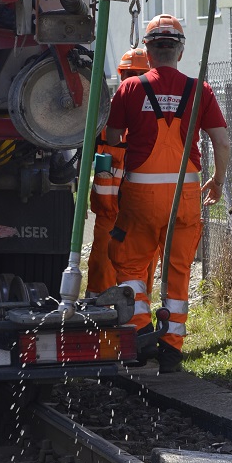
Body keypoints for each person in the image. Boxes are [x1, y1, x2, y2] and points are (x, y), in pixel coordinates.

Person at [104, 13, 231, 373]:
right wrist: (218, 182)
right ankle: (172, 348)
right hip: (186, 197)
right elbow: (221, 141)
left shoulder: (130, 89)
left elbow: (112, 138)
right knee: (178, 269)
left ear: (148, 50)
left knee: (130, 262)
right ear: (180, 50)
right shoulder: (200, 90)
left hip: (141, 198)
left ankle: (141, 329)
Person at [86, 47, 150, 294]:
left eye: (139, 75)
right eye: (129, 74)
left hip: (141, 214)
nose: (133, 80)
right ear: (121, 76)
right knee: (101, 268)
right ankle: (94, 317)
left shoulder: (154, 118)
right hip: (109, 213)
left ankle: (135, 321)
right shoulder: (102, 114)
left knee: (138, 275)